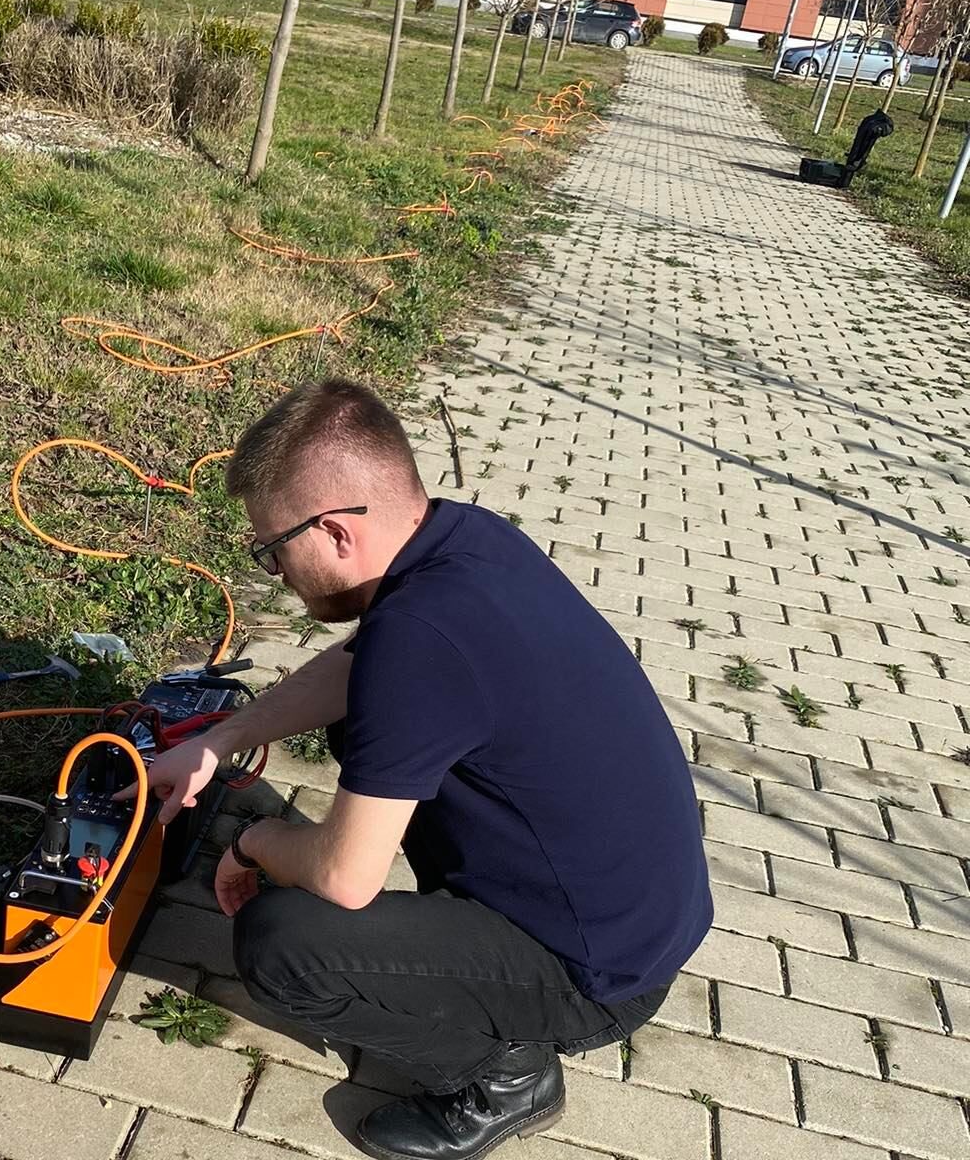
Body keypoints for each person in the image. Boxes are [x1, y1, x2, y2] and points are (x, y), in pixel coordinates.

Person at [142, 379, 711, 1160]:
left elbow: (346, 879)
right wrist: (221, 740)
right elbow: (359, 664)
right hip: (634, 917)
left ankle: (505, 1075)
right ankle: (463, 943)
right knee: (361, 724)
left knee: (285, 942)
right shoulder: (464, 541)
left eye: (273, 550)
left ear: (336, 532)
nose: (274, 569)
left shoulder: (420, 640)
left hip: (596, 975)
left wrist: (259, 844)